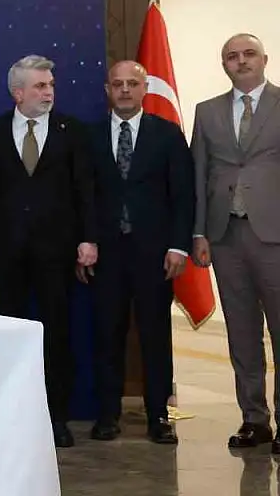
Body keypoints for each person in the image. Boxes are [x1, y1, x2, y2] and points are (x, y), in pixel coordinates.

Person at [0, 54, 96, 448]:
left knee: (56, 335)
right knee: (8, 334)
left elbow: (85, 189)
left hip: (55, 253)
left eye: (50, 85)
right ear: (18, 92)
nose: (48, 92)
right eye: (40, 86)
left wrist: (88, 239)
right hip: (6, 253)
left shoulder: (71, 131)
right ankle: (7, 418)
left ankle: (56, 419)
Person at [88, 60, 192, 445]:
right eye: (118, 84)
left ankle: (159, 416)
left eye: (133, 83)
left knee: (155, 336)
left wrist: (178, 245)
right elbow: (82, 196)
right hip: (106, 254)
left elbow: (183, 195)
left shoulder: (167, 134)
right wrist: (86, 242)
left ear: (145, 88)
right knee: (107, 335)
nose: (125, 90)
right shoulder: (89, 136)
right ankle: (107, 415)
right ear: (107, 90)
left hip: (155, 254)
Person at [190, 33, 280, 451]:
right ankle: (254, 420)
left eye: (249, 54)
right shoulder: (207, 111)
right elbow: (199, 173)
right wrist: (199, 232)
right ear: (223, 64)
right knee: (242, 332)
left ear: (264, 59)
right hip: (226, 235)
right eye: (232, 56)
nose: (241, 61)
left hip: (275, 235)